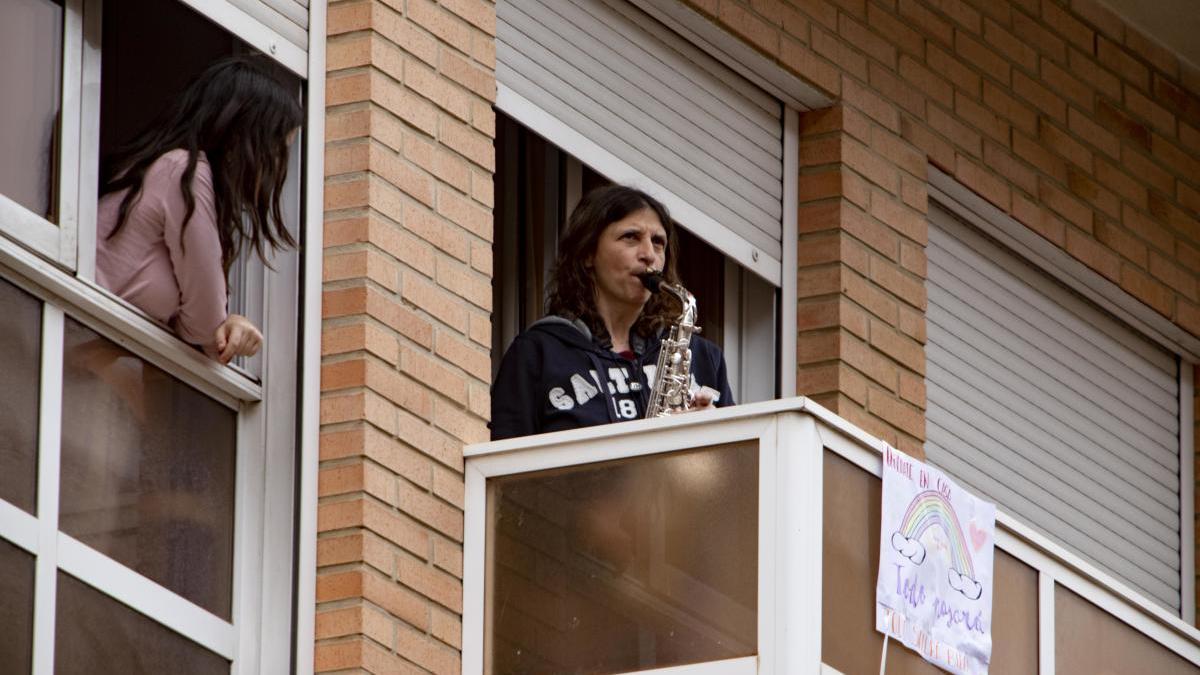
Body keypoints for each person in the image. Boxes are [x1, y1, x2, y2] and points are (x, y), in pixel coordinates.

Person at [96, 56, 302, 363]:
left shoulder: (169, 170)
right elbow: (205, 327)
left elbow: (206, 334)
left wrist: (226, 323)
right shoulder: (184, 172)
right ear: (244, 135)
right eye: (275, 150)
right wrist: (221, 324)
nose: (274, 167)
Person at [490, 184, 734, 441]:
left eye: (658, 242)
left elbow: (742, 471)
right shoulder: (538, 353)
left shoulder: (704, 358)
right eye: (630, 237)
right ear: (587, 253)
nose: (649, 255)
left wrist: (714, 437)